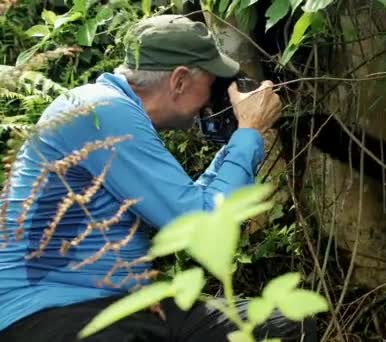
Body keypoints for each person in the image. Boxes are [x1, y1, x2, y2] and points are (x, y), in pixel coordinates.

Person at [0, 15, 316, 341]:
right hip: (48, 315)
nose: (210, 101)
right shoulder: (103, 111)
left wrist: (241, 138)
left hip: (95, 308)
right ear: (179, 81)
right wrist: (249, 132)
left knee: (288, 320)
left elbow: (192, 206)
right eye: (211, 84)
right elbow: (200, 228)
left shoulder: (108, 109)